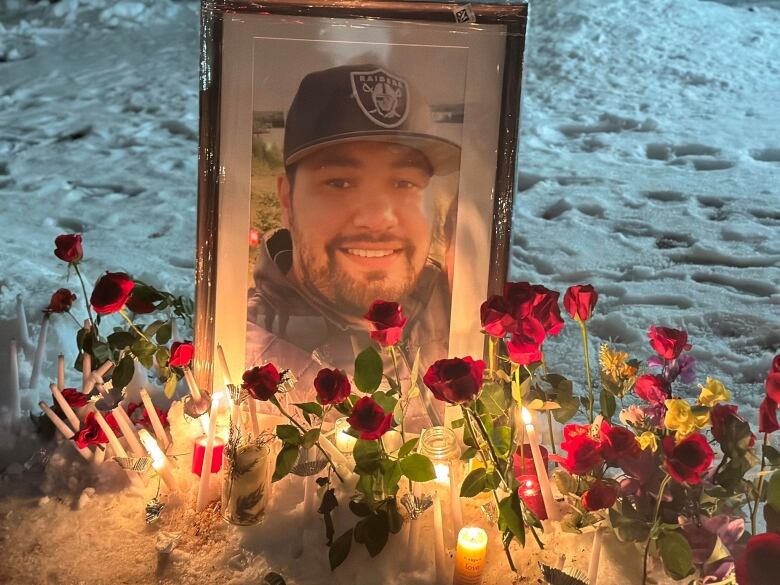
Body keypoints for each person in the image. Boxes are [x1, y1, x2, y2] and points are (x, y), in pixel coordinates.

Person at [246, 64, 461, 425]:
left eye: (405, 183)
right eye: (340, 183)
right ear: (287, 199)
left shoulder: (461, 305)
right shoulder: (242, 350)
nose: (377, 218)